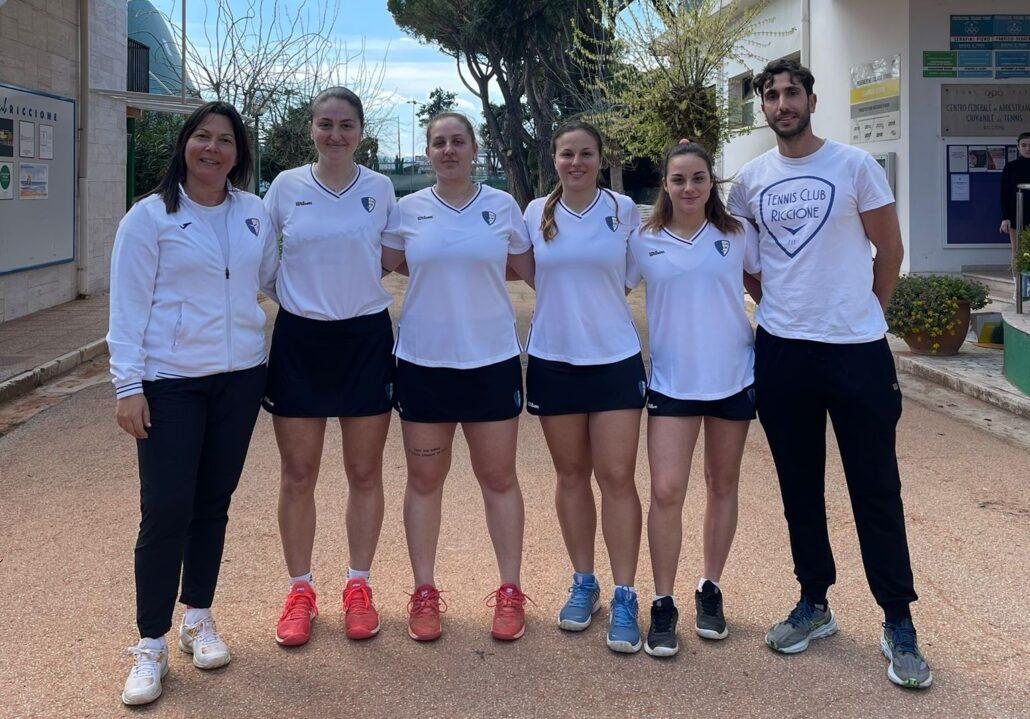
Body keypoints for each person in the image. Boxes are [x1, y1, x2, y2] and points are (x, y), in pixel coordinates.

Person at [725, 58, 933, 689]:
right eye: (771, 95)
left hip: (856, 351)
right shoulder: (748, 182)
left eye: (792, 93)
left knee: (876, 486)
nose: (782, 103)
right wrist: (783, 307)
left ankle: (897, 619)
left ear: (812, 100)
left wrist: (867, 311)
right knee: (799, 486)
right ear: (762, 107)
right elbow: (748, 264)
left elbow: (889, 250)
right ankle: (814, 603)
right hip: (784, 351)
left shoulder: (854, 166)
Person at [108, 101, 278, 705]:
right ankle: (150, 642)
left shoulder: (255, 214)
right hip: (171, 382)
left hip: (239, 380)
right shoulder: (148, 219)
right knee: (166, 509)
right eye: (202, 137)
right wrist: (128, 386)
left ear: (239, 153)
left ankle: (197, 618)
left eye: (226, 140)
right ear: (184, 145)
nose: (213, 149)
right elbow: (126, 309)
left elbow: (273, 280)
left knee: (213, 504)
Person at [380, 112, 535, 642]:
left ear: (474, 148)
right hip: (424, 364)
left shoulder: (502, 207)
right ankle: (424, 591)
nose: (448, 150)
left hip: (490, 362)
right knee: (424, 481)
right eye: (438, 143)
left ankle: (510, 590)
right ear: (428, 152)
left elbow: (522, 267)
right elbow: (394, 263)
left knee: (499, 479)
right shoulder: (407, 210)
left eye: (457, 142)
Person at [261, 87, 398, 647]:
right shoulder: (285, 188)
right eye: (325, 124)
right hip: (300, 341)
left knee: (364, 474)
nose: (335, 134)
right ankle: (299, 590)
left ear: (361, 131)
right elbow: (266, 266)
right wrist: (305, 301)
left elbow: (387, 260)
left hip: (364, 338)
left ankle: (358, 586)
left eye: (346, 125)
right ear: (311, 130)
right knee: (299, 474)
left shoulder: (381, 188)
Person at [627, 142, 760, 658]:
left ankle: (710, 588)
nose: (689, 188)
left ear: (711, 183)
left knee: (722, 484)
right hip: (672, 384)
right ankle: (662, 601)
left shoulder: (736, 234)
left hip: (732, 378)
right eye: (678, 179)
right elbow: (605, 287)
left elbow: (768, 283)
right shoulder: (643, 240)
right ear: (665, 184)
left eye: (698, 178)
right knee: (666, 491)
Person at [523, 121, 645, 653]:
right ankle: (584, 583)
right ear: (554, 159)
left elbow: (627, 277)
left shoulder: (623, 210)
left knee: (617, 477)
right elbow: (532, 272)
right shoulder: (532, 213)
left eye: (586, 154)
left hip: (614, 359)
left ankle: (624, 593)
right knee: (571, 475)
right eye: (567, 154)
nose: (577, 162)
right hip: (554, 359)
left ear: (600, 158)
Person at [999, 131, 1030, 244]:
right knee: (1017, 253)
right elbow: (1004, 193)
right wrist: (1005, 217)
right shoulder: (1011, 167)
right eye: (1024, 145)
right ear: (1018, 147)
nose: (1027, 148)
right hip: (1016, 215)